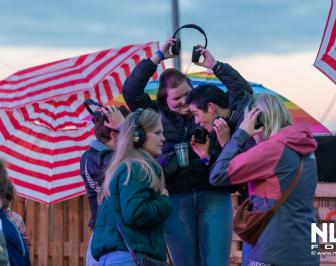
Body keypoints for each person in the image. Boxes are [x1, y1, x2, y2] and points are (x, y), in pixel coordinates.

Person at [122, 38, 252, 266]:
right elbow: (130, 91)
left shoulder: (206, 109)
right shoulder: (154, 115)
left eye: (186, 94)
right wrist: (157, 57)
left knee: (216, 262)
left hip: (213, 195)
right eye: (176, 98)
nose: (184, 102)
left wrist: (215, 66)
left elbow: (241, 92)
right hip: (176, 197)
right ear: (164, 98)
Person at [210, 94, 320, 266]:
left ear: (258, 122)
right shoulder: (306, 148)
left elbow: (218, 175)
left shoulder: (272, 149)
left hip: (273, 250)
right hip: (306, 250)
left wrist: (241, 134)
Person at [91, 108, 172, 265]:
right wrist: (164, 201)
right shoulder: (137, 168)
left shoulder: (123, 168)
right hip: (128, 258)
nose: (163, 138)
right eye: (157, 133)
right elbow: (135, 213)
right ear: (138, 136)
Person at [80, 105, 129, 265]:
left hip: (102, 235)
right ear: (115, 135)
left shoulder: (89, 157)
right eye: (129, 132)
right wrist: (124, 126)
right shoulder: (105, 159)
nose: (136, 136)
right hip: (112, 238)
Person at [0, 159, 30, 266]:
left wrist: (24, 241)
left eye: (6, 201)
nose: (4, 204)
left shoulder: (15, 220)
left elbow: (25, 245)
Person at [2, 181, 30, 247]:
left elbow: (25, 243)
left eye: (5, 206)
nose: (2, 208)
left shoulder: (17, 219)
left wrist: (24, 242)